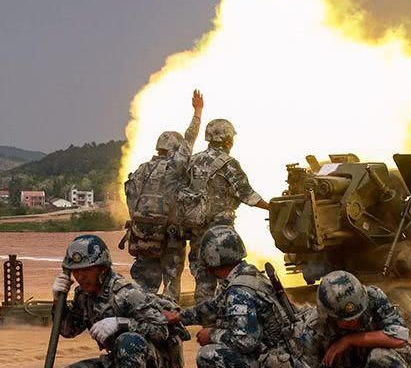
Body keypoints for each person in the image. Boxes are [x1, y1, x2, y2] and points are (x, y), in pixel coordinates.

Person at [166, 225, 298, 368]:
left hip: (275, 359)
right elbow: (214, 307)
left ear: (211, 258)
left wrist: (212, 335)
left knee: (208, 355)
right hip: (280, 353)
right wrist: (179, 316)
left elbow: (246, 342)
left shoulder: (239, 292)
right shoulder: (247, 274)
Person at [51, 234, 185, 368]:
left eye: (86, 270)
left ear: (102, 268)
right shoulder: (84, 295)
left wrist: (121, 324)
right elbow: (68, 330)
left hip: (154, 361)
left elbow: (160, 330)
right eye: (76, 271)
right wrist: (58, 301)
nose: (80, 277)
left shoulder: (126, 293)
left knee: (129, 341)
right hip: (119, 359)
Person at [124, 89, 204, 300]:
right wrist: (198, 111)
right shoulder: (173, 167)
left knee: (142, 286)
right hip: (170, 238)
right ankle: (169, 316)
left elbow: (130, 200)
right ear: (174, 149)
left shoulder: (140, 170)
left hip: (142, 237)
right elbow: (190, 139)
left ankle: (140, 314)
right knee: (171, 283)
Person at [181, 118, 270, 302]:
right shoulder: (228, 163)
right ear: (228, 139)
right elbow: (247, 194)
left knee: (203, 278)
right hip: (221, 233)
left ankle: (205, 316)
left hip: (197, 229)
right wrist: (272, 208)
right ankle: (227, 314)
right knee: (228, 277)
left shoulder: (193, 160)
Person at [293, 270, 411, 368]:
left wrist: (349, 340)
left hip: (384, 359)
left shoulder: (373, 297)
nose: (353, 321)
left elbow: (400, 337)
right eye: (345, 320)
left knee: (380, 357)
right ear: (329, 316)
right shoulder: (315, 328)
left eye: (357, 315)